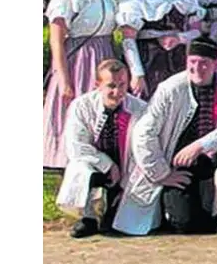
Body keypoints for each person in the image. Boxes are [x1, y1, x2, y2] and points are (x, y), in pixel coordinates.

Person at [123, 39, 217, 235]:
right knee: (186, 225)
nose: (197, 68)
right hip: (178, 163)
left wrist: (199, 145)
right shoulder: (170, 88)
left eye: (204, 63)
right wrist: (162, 173)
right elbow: (144, 132)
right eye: (193, 62)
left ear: (216, 64)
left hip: (211, 156)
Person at [45, 0, 119, 169]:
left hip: (104, 55)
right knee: (77, 107)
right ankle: (65, 156)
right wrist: (64, 79)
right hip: (79, 61)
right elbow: (56, 40)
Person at [56, 61, 150, 237]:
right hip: (95, 163)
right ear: (98, 85)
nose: (118, 92)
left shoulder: (140, 108)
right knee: (81, 169)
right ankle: (88, 217)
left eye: (122, 85)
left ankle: (114, 209)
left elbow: (145, 145)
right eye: (111, 86)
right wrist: (108, 165)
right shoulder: (81, 106)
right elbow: (77, 146)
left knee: (122, 223)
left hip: (127, 165)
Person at [117, 0, 205, 99]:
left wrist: (179, 38)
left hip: (177, 61)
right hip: (148, 61)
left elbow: (197, 31)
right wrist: (137, 74)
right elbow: (128, 39)